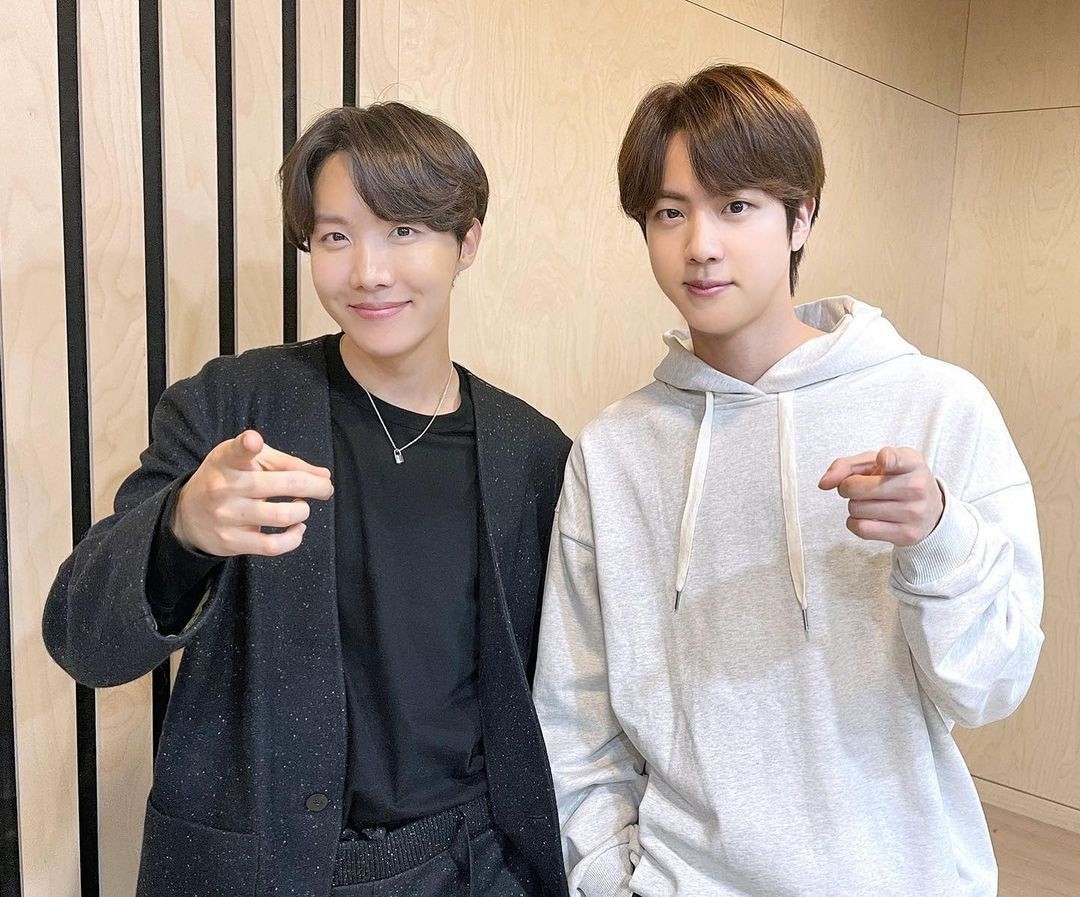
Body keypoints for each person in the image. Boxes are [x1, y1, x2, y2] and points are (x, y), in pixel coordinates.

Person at [533, 64, 1044, 897]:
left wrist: (939, 537)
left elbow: (992, 685)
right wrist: (603, 874)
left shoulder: (936, 406)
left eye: (736, 206)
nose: (701, 245)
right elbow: (574, 710)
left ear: (801, 216)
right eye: (670, 212)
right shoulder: (613, 451)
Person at [44, 102, 571, 897]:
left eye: (403, 230)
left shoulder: (531, 454)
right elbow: (82, 640)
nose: (368, 272)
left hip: (467, 865)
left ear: (467, 242)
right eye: (335, 237)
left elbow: (557, 694)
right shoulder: (233, 406)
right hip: (257, 867)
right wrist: (182, 528)